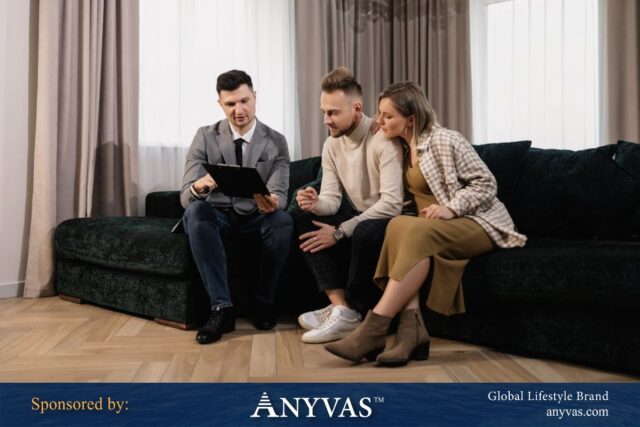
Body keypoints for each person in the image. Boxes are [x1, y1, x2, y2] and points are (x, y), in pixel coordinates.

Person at [325, 81, 527, 365]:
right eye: (379, 114)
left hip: (478, 223)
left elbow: (486, 184)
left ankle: (374, 329)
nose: (380, 120)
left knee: (406, 228)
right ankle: (412, 334)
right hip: (430, 228)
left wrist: (451, 208)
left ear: (411, 119)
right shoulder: (401, 146)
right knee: (396, 225)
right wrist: (377, 127)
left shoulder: (445, 139)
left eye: (388, 116)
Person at [180, 69, 293, 344]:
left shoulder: (276, 141)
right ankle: (221, 308)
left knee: (282, 221)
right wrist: (200, 186)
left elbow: (280, 194)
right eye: (230, 104)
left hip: (256, 217)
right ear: (220, 104)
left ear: (255, 97)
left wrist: (273, 202)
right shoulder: (204, 136)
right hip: (216, 216)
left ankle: (264, 302)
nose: (238, 110)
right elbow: (185, 197)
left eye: (244, 101)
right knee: (196, 211)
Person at [294, 68, 404, 344]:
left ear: (356, 108)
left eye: (332, 113)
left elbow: (392, 204)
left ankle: (353, 309)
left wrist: (341, 231)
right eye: (323, 112)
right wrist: (315, 203)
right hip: (358, 216)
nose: (325, 120)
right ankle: (341, 307)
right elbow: (331, 199)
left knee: (365, 229)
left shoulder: (383, 140)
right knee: (300, 218)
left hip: (390, 219)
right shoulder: (331, 144)